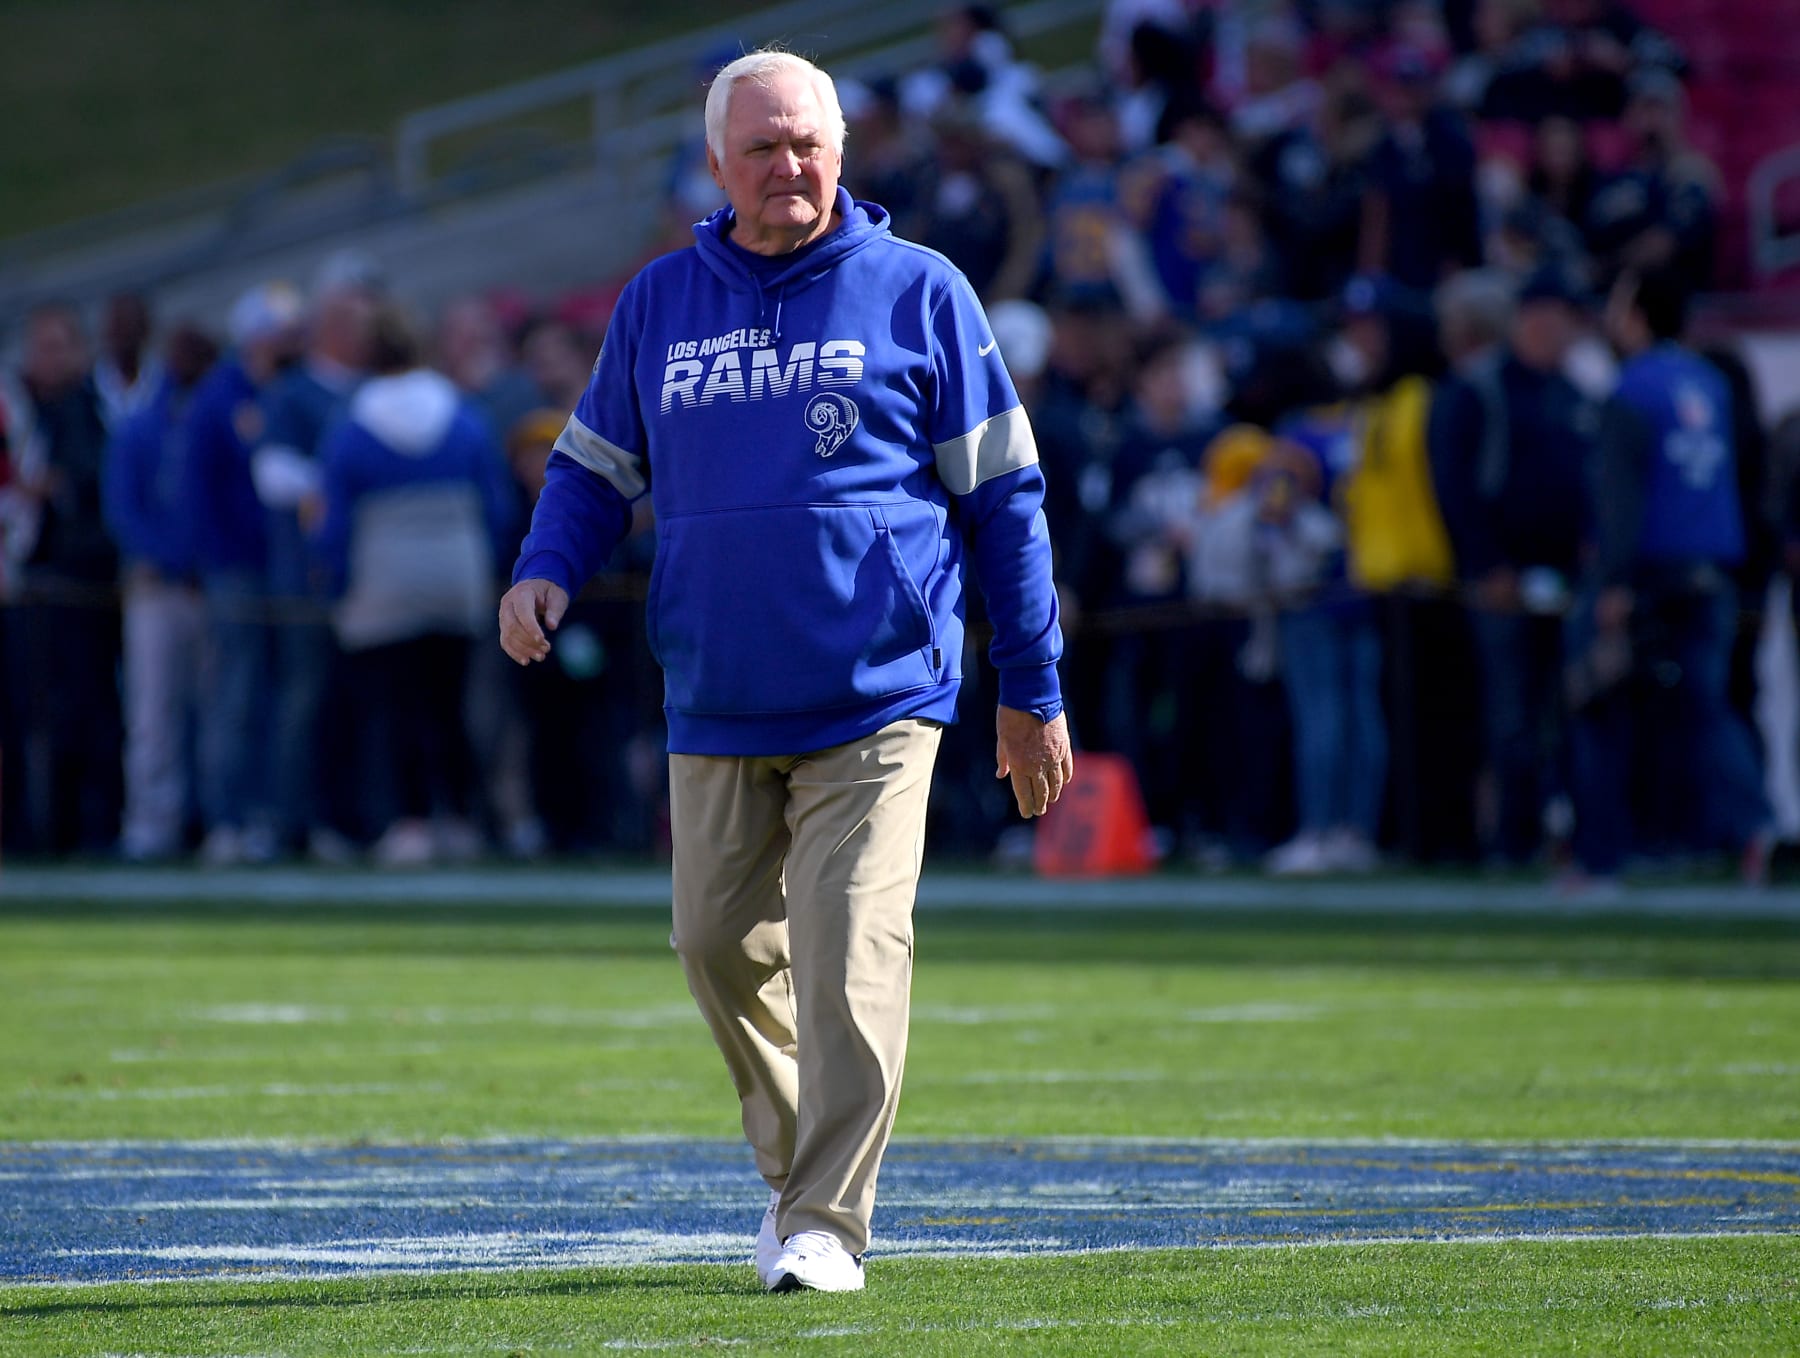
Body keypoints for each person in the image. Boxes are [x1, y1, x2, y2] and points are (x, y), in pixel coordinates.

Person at [498, 49, 1070, 1293]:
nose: (789, 165)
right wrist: (545, 565)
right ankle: (799, 1169)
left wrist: (1031, 687)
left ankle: (826, 1220)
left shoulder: (923, 293)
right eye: (762, 147)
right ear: (718, 163)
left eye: (808, 141)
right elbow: (594, 466)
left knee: (851, 944)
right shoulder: (659, 300)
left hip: (880, 689)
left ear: (843, 150)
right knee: (710, 939)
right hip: (713, 688)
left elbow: (1007, 498)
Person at [1569, 266, 1772, 886]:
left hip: (1649, 568)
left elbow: (1621, 499)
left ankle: (1599, 854)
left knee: (1597, 703)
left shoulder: (1632, 388)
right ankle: (1752, 824)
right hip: (1711, 565)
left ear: (1636, 315)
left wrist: (1613, 582)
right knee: (1707, 708)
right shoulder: (1711, 382)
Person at [314, 307, 514, 866]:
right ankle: (461, 819)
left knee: (395, 707)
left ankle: (410, 822)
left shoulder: (351, 424)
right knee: (450, 704)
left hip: (384, 580)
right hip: (456, 574)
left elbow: (334, 522)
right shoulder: (465, 416)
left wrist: (332, 580)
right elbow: (495, 507)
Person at [1429, 262, 1599, 866]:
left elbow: (1593, 484)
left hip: (1567, 581)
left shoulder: (1574, 394)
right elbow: (1454, 486)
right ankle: (1509, 840)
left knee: (1569, 709)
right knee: (1510, 715)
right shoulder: (1482, 389)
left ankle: (1566, 834)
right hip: (1501, 578)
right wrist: (1486, 564)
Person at [183, 281, 306, 865]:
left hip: (287, 569)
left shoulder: (290, 392)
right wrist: (214, 559)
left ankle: (272, 816)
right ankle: (226, 818)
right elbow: (198, 490)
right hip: (237, 569)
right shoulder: (218, 398)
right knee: (234, 693)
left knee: (285, 695)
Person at [0, 302, 123, 854]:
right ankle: (26, 828)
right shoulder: (18, 408)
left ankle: (89, 826)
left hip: (84, 581)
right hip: (26, 580)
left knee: (88, 707)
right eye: (39, 347)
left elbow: (100, 488)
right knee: (24, 711)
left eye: (58, 346)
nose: (48, 359)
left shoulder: (97, 409)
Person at [101, 323, 219, 861]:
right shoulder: (141, 427)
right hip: (156, 586)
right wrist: (172, 560)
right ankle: (152, 821)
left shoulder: (214, 419)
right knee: (152, 713)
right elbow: (125, 511)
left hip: (210, 587)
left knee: (215, 710)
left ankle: (209, 818)